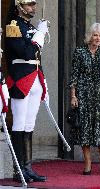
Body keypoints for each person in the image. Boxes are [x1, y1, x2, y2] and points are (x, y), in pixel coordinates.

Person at [5, 0, 49, 182]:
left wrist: (43, 80)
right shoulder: (13, 26)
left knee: (30, 125)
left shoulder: (29, 26)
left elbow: (36, 57)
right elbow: (26, 53)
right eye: (30, 4)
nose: (34, 8)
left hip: (34, 77)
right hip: (21, 78)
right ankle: (18, 169)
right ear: (19, 7)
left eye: (34, 4)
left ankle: (27, 167)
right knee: (19, 124)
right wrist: (39, 33)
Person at [69, 23, 100, 176]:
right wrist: (73, 96)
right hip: (84, 95)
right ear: (90, 36)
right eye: (95, 35)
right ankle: (87, 163)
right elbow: (74, 75)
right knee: (85, 129)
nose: (98, 38)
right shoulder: (80, 51)